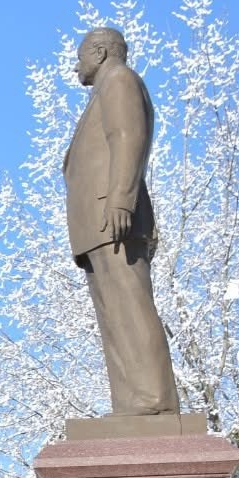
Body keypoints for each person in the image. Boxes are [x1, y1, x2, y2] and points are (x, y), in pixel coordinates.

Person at [64, 26, 180, 417]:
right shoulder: (103, 90)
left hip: (112, 216)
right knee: (113, 315)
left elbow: (127, 136)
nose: (76, 66)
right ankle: (131, 403)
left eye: (80, 56)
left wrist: (120, 201)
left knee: (129, 306)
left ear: (99, 52)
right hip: (96, 226)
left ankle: (153, 399)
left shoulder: (119, 81)